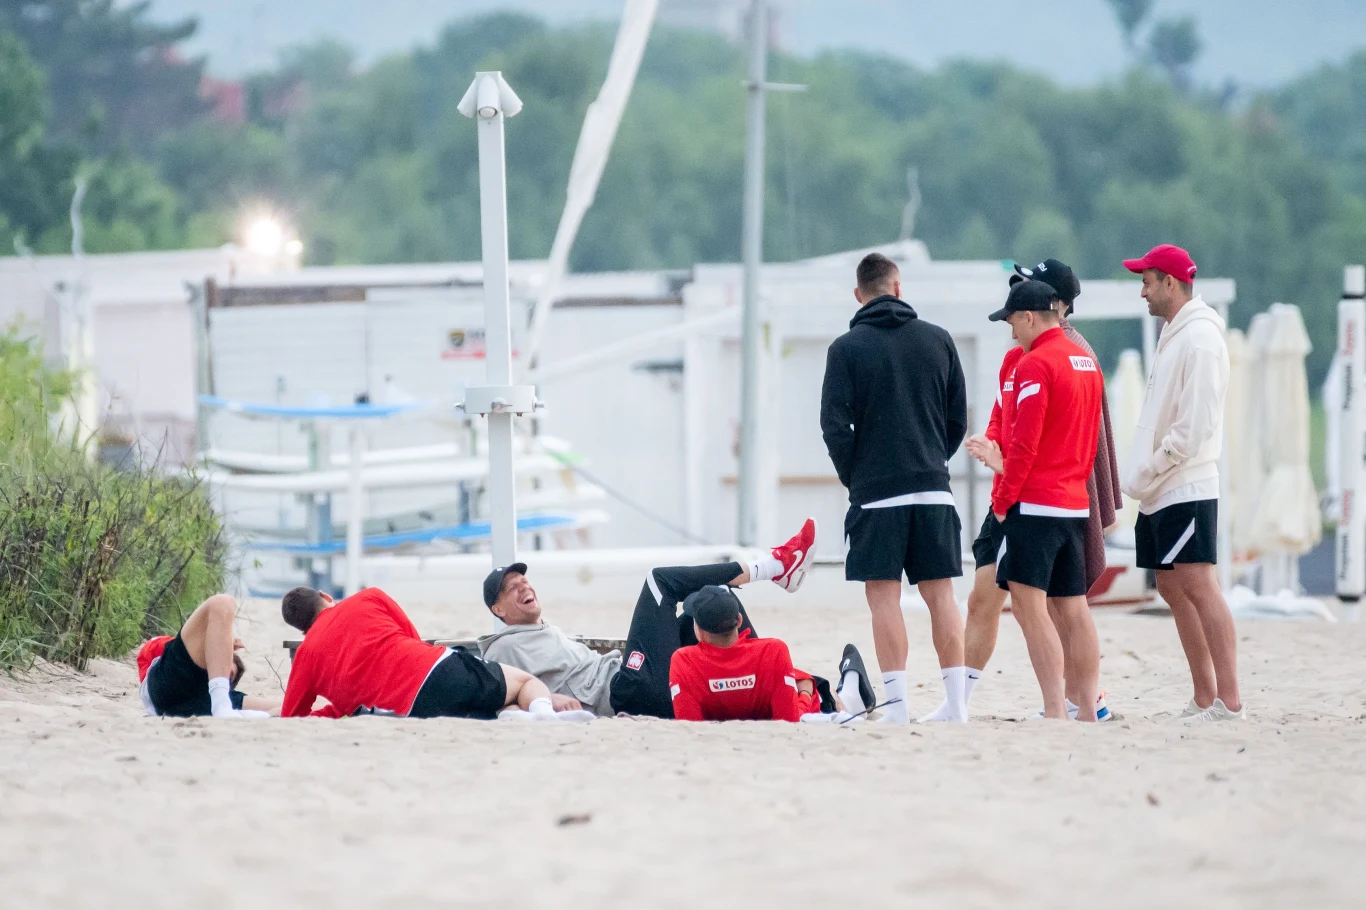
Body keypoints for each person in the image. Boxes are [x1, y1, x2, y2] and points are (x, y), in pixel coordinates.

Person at [479, 518, 874, 720]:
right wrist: (547, 701)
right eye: (510, 588)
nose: (523, 586)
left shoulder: (544, 633)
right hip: (625, 690)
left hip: (638, 682)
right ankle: (772, 567)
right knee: (659, 582)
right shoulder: (503, 648)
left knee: (716, 603)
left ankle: (779, 687)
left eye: (523, 579)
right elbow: (498, 693)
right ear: (499, 611)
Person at [961, 259, 1121, 720]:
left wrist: (1003, 498)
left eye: (1013, 319)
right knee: (1071, 608)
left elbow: (1028, 444)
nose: (1010, 330)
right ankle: (1084, 708)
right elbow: (1085, 441)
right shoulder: (1082, 360)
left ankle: (1057, 708)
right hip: (1071, 501)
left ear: (1034, 314)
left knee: (1032, 609)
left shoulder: (1038, 363)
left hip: (1034, 501)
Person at [820, 252, 969, 723]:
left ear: (858, 295)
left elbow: (833, 427)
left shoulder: (845, 349)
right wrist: (933, 461)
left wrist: (856, 475)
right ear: (899, 288)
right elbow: (957, 420)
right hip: (932, 488)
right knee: (941, 596)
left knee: (883, 598)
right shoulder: (939, 340)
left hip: (876, 493)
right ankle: (957, 706)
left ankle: (899, 708)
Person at [1120, 244, 1243, 722]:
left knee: (1199, 584)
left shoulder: (1201, 337)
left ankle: (1230, 701)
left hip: (1186, 482)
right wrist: (1147, 474)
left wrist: (1150, 467)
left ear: (1170, 282)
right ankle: (1204, 696)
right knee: (1171, 587)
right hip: (1158, 487)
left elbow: (1194, 429)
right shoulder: (1174, 332)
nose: (1142, 291)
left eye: (1147, 281)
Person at [279, 586, 592, 721]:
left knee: (492, 708)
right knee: (523, 682)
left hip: (404, 713)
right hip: (431, 670)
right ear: (325, 596)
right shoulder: (368, 597)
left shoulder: (306, 655)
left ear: (303, 630)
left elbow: (292, 718)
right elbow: (413, 638)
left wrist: (336, 711)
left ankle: (521, 717)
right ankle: (543, 714)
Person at [668, 585, 872, 723]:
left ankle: (850, 688)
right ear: (739, 621)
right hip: (817, 703)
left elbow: (689, 722)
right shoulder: (773, 650)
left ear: (698, 630)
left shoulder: (683, 661)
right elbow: (790, 719)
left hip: (748, 685)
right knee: (817, 686)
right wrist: (805, 693)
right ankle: (851, 687)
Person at [137, 593, 277, 718]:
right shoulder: (183, 666)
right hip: (170, 687)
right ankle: (222, 706)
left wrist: (266, 714)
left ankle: (223, 705)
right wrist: (220, 642)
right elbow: (220, 604)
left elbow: (283, 708)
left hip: (195, 702)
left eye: (229, 677)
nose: (225, 672)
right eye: (229, 667)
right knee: (224, 602)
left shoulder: (226, 697)